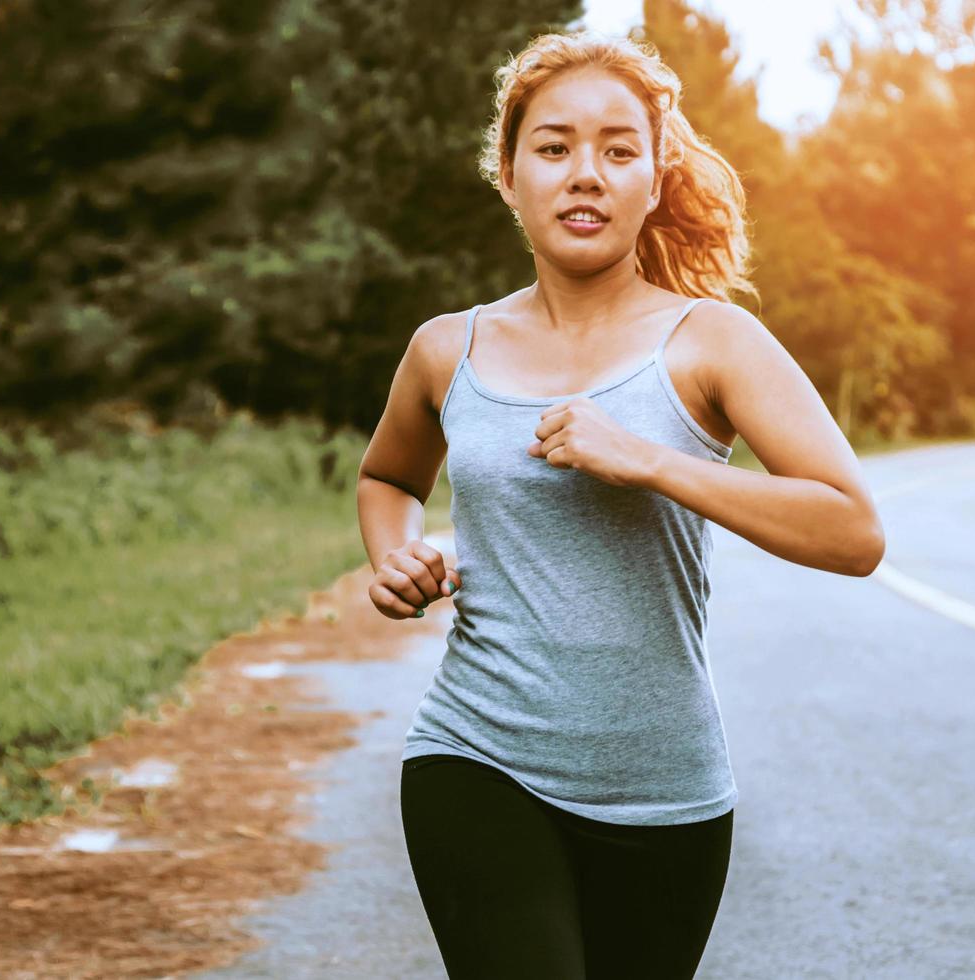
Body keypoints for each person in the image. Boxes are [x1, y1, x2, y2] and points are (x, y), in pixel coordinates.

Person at [355, 28, 886, 980]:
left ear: (653, 177)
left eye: (616, 149)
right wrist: (392, 552)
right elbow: (389, 478)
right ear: (508, 175)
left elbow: (851, 532)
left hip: (666, 789)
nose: (584, 174)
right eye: (553, 148)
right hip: (476, 756)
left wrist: (649, 460)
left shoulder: (713, 343)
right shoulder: (448, 349)